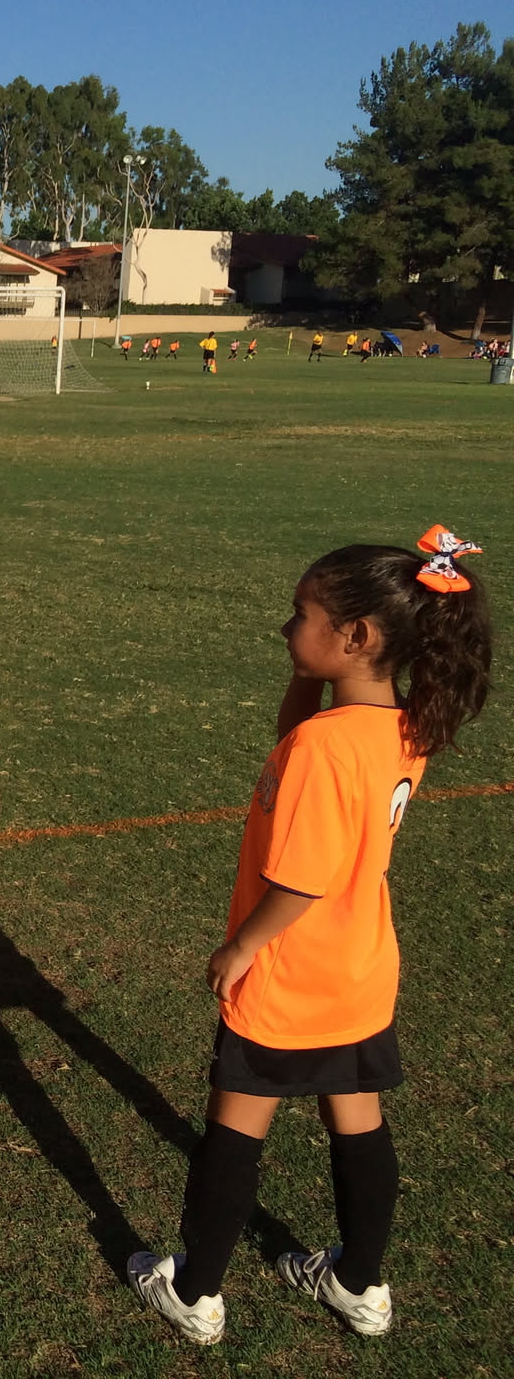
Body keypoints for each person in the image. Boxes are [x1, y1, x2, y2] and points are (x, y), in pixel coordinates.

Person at [128, 527, 492, 1345]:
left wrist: (243, 946)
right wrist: (305, 672)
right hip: (358, 970)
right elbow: (292, 739)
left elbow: (303, 877)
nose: (285, 626)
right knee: (356, 1120)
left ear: (356, 636)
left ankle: (195, 1291)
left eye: (300, 615)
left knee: (234, 1130)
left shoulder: (325, 748)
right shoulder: (402, 724)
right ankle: (360, 1283)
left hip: (290, 974)